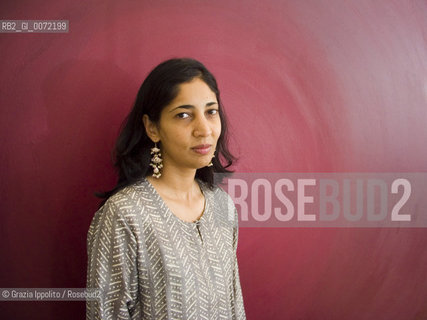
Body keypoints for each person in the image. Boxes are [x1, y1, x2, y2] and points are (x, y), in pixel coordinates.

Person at [86, 57, 246, 319]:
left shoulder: (221, 204)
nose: (204, 129)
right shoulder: (125, 215)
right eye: (183, 115)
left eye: (211, 111)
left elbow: (234, 304)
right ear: (152, 127)